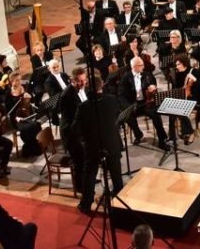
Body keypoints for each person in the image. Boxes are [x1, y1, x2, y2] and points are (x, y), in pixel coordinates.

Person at [75, 78, 123, 214]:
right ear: (101, 86)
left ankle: (86, 204)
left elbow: (77, 128)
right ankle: (120, 202)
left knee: (90, 174)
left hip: (93, 146)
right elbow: (117, 117)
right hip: (112, 143)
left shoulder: (83, 107)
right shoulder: (112, 100)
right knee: (116, 173)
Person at [118, 57, 170, 151]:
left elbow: (153, 83)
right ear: (134, 67)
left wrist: (153, 87)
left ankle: (162, 140)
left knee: (156, 114)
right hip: (133, 104)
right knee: (128, 117)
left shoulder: (146, 74)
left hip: (146, 103)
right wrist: (129, 106)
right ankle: (138, 134)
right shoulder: (126, 78)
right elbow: (121, 95)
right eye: (141, 65)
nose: (143, 66)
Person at [59, 67, 89, 189]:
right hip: (71, 134)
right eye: (80, 81)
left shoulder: (82, 89)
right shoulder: (67, 95)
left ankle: (86, 179)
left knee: (87, 156)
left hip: (79, 130)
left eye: (84, 80)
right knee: (79, 160)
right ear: (73, 81)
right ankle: (80, 186)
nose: (83, 83)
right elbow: (73, 119)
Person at [4, 73, 42, 157]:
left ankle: (28, 147)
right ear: (11, 81)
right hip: (16, 118)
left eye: (19, 80)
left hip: (27, 114)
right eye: (16, 80)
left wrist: (30, 97)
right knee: (28, 128)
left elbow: (30, 102)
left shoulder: (24, 88)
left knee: (37, 124)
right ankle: (30, 148)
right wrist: (16, 118)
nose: (19, 82)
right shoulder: (8, 94)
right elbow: (8, 111)